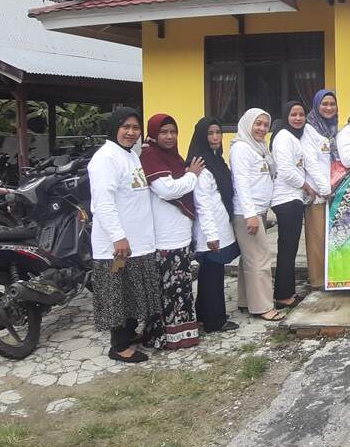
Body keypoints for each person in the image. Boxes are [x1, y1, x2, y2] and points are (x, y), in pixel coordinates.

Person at [88, 108, 162, 363]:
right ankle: (118, 346)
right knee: (116, 293)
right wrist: (118, 237)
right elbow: (103, 201)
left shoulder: (130, 155)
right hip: (116, 243)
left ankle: (128, 335)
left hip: (137, 240)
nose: (131, 132)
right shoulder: (106, 158)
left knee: (130, 292)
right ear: (114, 128)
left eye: (135, 128)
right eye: (125, 127)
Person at [141, 113, 202, 350]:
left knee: (181, 286)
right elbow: (166, 189)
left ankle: (183, 333)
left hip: (180, 233)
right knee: (168, 289)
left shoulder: (172, 157)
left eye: (173, 132)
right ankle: (164, 336)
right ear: (154, 134)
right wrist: (192, 176)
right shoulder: (151, 156)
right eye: (163, 132)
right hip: (165, 236)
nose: (169, 136)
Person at [230, 108, 284, 323]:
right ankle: (263, 306)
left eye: (265, 124)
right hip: (247, 213)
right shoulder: (242, 148)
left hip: (257, 211)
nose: (262, 128)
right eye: (257, 124)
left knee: (249, 259)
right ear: (247, 124)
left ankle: (246, 301)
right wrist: (250, 215)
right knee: (261, 258)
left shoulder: (259, 147)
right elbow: (241, 183)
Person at [187, 117, 239, 333]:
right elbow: (202, 204)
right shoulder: (200, 164)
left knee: (212, 273)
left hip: (220, 224)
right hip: (211, 229)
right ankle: (215, 321)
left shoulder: (216, 160)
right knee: (212, 276)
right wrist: (210, 235)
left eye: (218, 132)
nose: (216, 137)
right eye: (210, 133)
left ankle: (202, 315)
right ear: (202, 136)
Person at [269, 101, 315, 310]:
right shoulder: (283, 138)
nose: (298, 118)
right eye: (294, 114)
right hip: (286, 199)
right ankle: (283, 296)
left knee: (290, 248)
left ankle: (286, 292)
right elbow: (286, 170)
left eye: (301, 114)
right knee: (287, 249)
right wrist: (306, 186)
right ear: (286, 116)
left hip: (292, 199)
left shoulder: (292, 137)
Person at [302, 89, 337, 290]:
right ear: (316, 106)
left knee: (328, 238)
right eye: (324, 104)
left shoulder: (331, 128)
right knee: (317, 238)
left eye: (332, 104)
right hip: (317, 193)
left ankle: (329, 278)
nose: (329, 108)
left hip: (330, 190)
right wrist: (324, 188)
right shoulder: (310, 129)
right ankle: (317, 281)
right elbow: (311, 163)